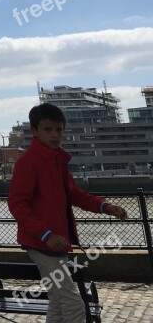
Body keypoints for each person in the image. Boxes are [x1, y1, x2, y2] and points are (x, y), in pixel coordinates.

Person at [8, 103, 127, 323]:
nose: (55, 135)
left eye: (59, 130)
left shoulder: (57, 161)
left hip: (54, 243)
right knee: (73, 305)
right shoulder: (29, 162)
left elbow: (74, 195)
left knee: (58, 302)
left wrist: (105, 207)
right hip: (42, 243)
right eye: (48, 129)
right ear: (35, 131)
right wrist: (47, 235)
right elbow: (17, 205)